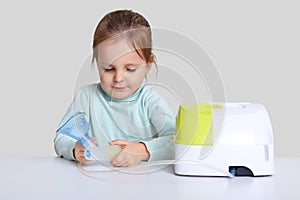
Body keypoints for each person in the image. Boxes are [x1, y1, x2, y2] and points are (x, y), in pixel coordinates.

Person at [54, 9, 175, 167]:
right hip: (93, 183)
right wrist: (75, 149)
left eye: (130, 69)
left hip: (142, 183)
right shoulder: (87, 97)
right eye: (108, 69)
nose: (118, 78)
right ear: (97, 62)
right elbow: (61, 139)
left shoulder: (150, 101)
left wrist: (142, 150)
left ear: (148, 65)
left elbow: (176, 141)